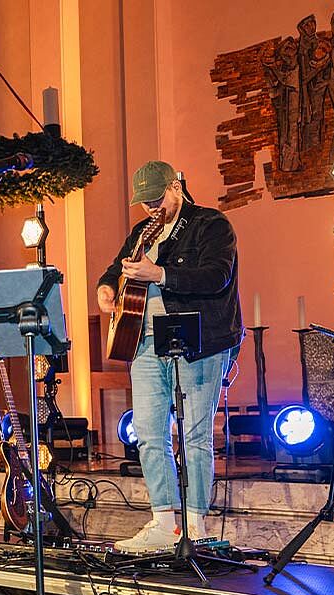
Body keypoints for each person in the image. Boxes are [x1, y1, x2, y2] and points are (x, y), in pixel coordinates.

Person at [97, 161, 242, 552]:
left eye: (157, 199)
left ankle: (195, 524)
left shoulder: (211, 225)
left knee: (195, 434)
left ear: (176, 186)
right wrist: (106, 289)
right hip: (142, 343)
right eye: (144, 202)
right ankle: (163, 522)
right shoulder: (141, 233)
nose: (150, 208)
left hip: (198, 342)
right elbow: (115, 269)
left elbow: (217, 277)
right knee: (148, 434)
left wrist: (158, 274)